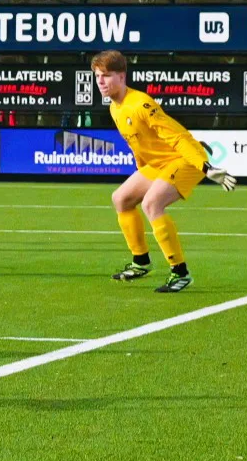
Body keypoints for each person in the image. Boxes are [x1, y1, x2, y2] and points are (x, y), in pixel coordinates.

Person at [95, 50, 235, 293]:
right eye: (97, 76)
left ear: (121, 76)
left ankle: (180, 273)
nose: (100, 82)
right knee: (121, 198)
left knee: (152, 204)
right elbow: (137, 144)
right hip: (160, 163)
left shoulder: (141, 104)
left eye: (106, 76)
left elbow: (177, 137)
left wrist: (205, 166)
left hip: (185, 159)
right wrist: (142, 171)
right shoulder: (115, 108)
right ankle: (141, 262)